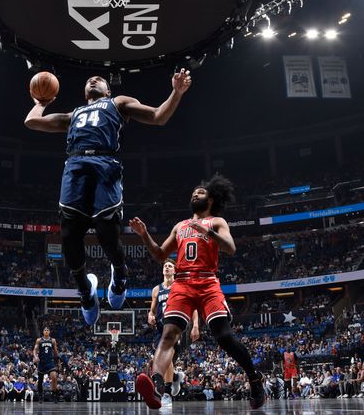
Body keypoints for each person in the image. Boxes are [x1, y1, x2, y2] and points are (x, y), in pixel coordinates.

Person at [25, 70, 193, 324]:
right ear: (85, 93)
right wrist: (40, 103)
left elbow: (159, 116)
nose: (92, 79)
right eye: (88, 79)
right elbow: (32, 122)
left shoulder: (118, 103)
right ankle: (85, 290)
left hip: (105, 163)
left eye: (99, 79)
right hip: (75, 165)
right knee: (70, 235)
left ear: (108, 90)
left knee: (106, 232)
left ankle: (120, 273)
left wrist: (176, 93)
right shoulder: (74, 114)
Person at [130, 174, 266, 409]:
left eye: (200, 192)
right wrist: (144, 235)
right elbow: (160, 255)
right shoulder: (180, 226)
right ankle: (156, 386)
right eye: (193, 192)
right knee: (168, 333)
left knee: (223, 336)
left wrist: (208, 234)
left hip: (207, 281)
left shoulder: (216, 222)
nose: (195, 194)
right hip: (182, 283)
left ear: (211, 199)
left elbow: (231, 248)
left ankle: (255, 378)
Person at [148, 259, 199, 407]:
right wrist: (150, 316)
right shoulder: (156, 289)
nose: (167, 267)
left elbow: (193, 307)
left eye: (170, 266)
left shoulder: (181, 286)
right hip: (159, 328)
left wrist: (195, 325)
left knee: (167, 357)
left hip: (174, 326)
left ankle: (167, 393)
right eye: (165, 266)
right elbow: (151, 310)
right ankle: (176, 377)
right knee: (159, 360)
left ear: (175, 271)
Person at [33, 326, 60, 402]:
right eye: (45, 330)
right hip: (41, 362)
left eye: (48, 330)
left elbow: (55, 352)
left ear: (49, 332)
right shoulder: (39, 340)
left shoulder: (53, 340)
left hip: (50, 362)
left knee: (54, 377)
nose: (46, 331)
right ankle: (40, 395)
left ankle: (54, 394)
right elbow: (35, 350)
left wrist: (58, 361)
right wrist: (35, 356)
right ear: (43, 332)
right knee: (40, 380)